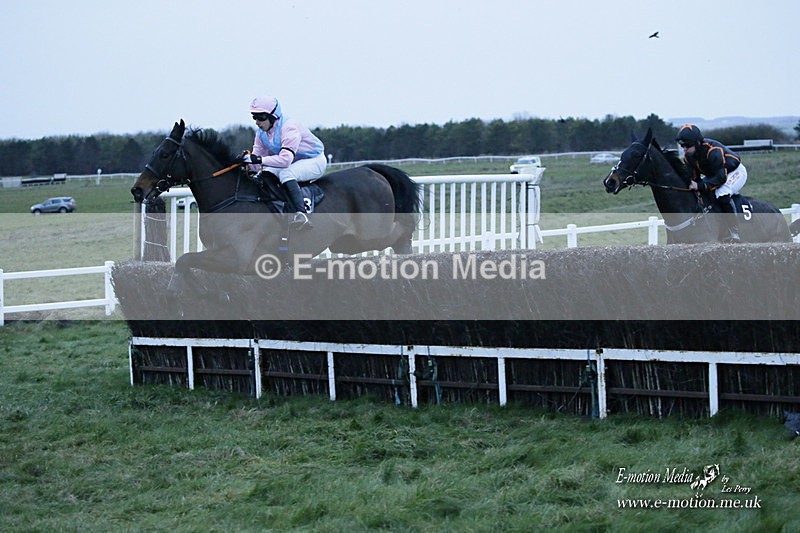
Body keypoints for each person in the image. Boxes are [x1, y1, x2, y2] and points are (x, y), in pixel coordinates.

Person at [241, 95, 327, 229]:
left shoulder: (289, 127)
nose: (257, 122)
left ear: (273, 116)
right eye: (254, 117)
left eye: (261, 117)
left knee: (286, 174)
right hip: (294, 161)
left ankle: (301, 214)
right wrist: (244, 163)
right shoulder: (261, 133)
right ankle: (277, 207)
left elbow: (285, 160)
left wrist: (258, 159)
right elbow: (257, 161)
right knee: (266, 174)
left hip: (314, 160)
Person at [675, 124, 746, 242]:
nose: (685, 149)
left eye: (687, 145)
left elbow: (721, 177)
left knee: (721, 194)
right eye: (682, 145)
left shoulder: (713, 151)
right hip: (716, 173)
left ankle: (734, 231)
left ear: (697, 143)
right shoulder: (688, 157)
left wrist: (700, 185)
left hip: (734, 172)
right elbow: (695, 179)